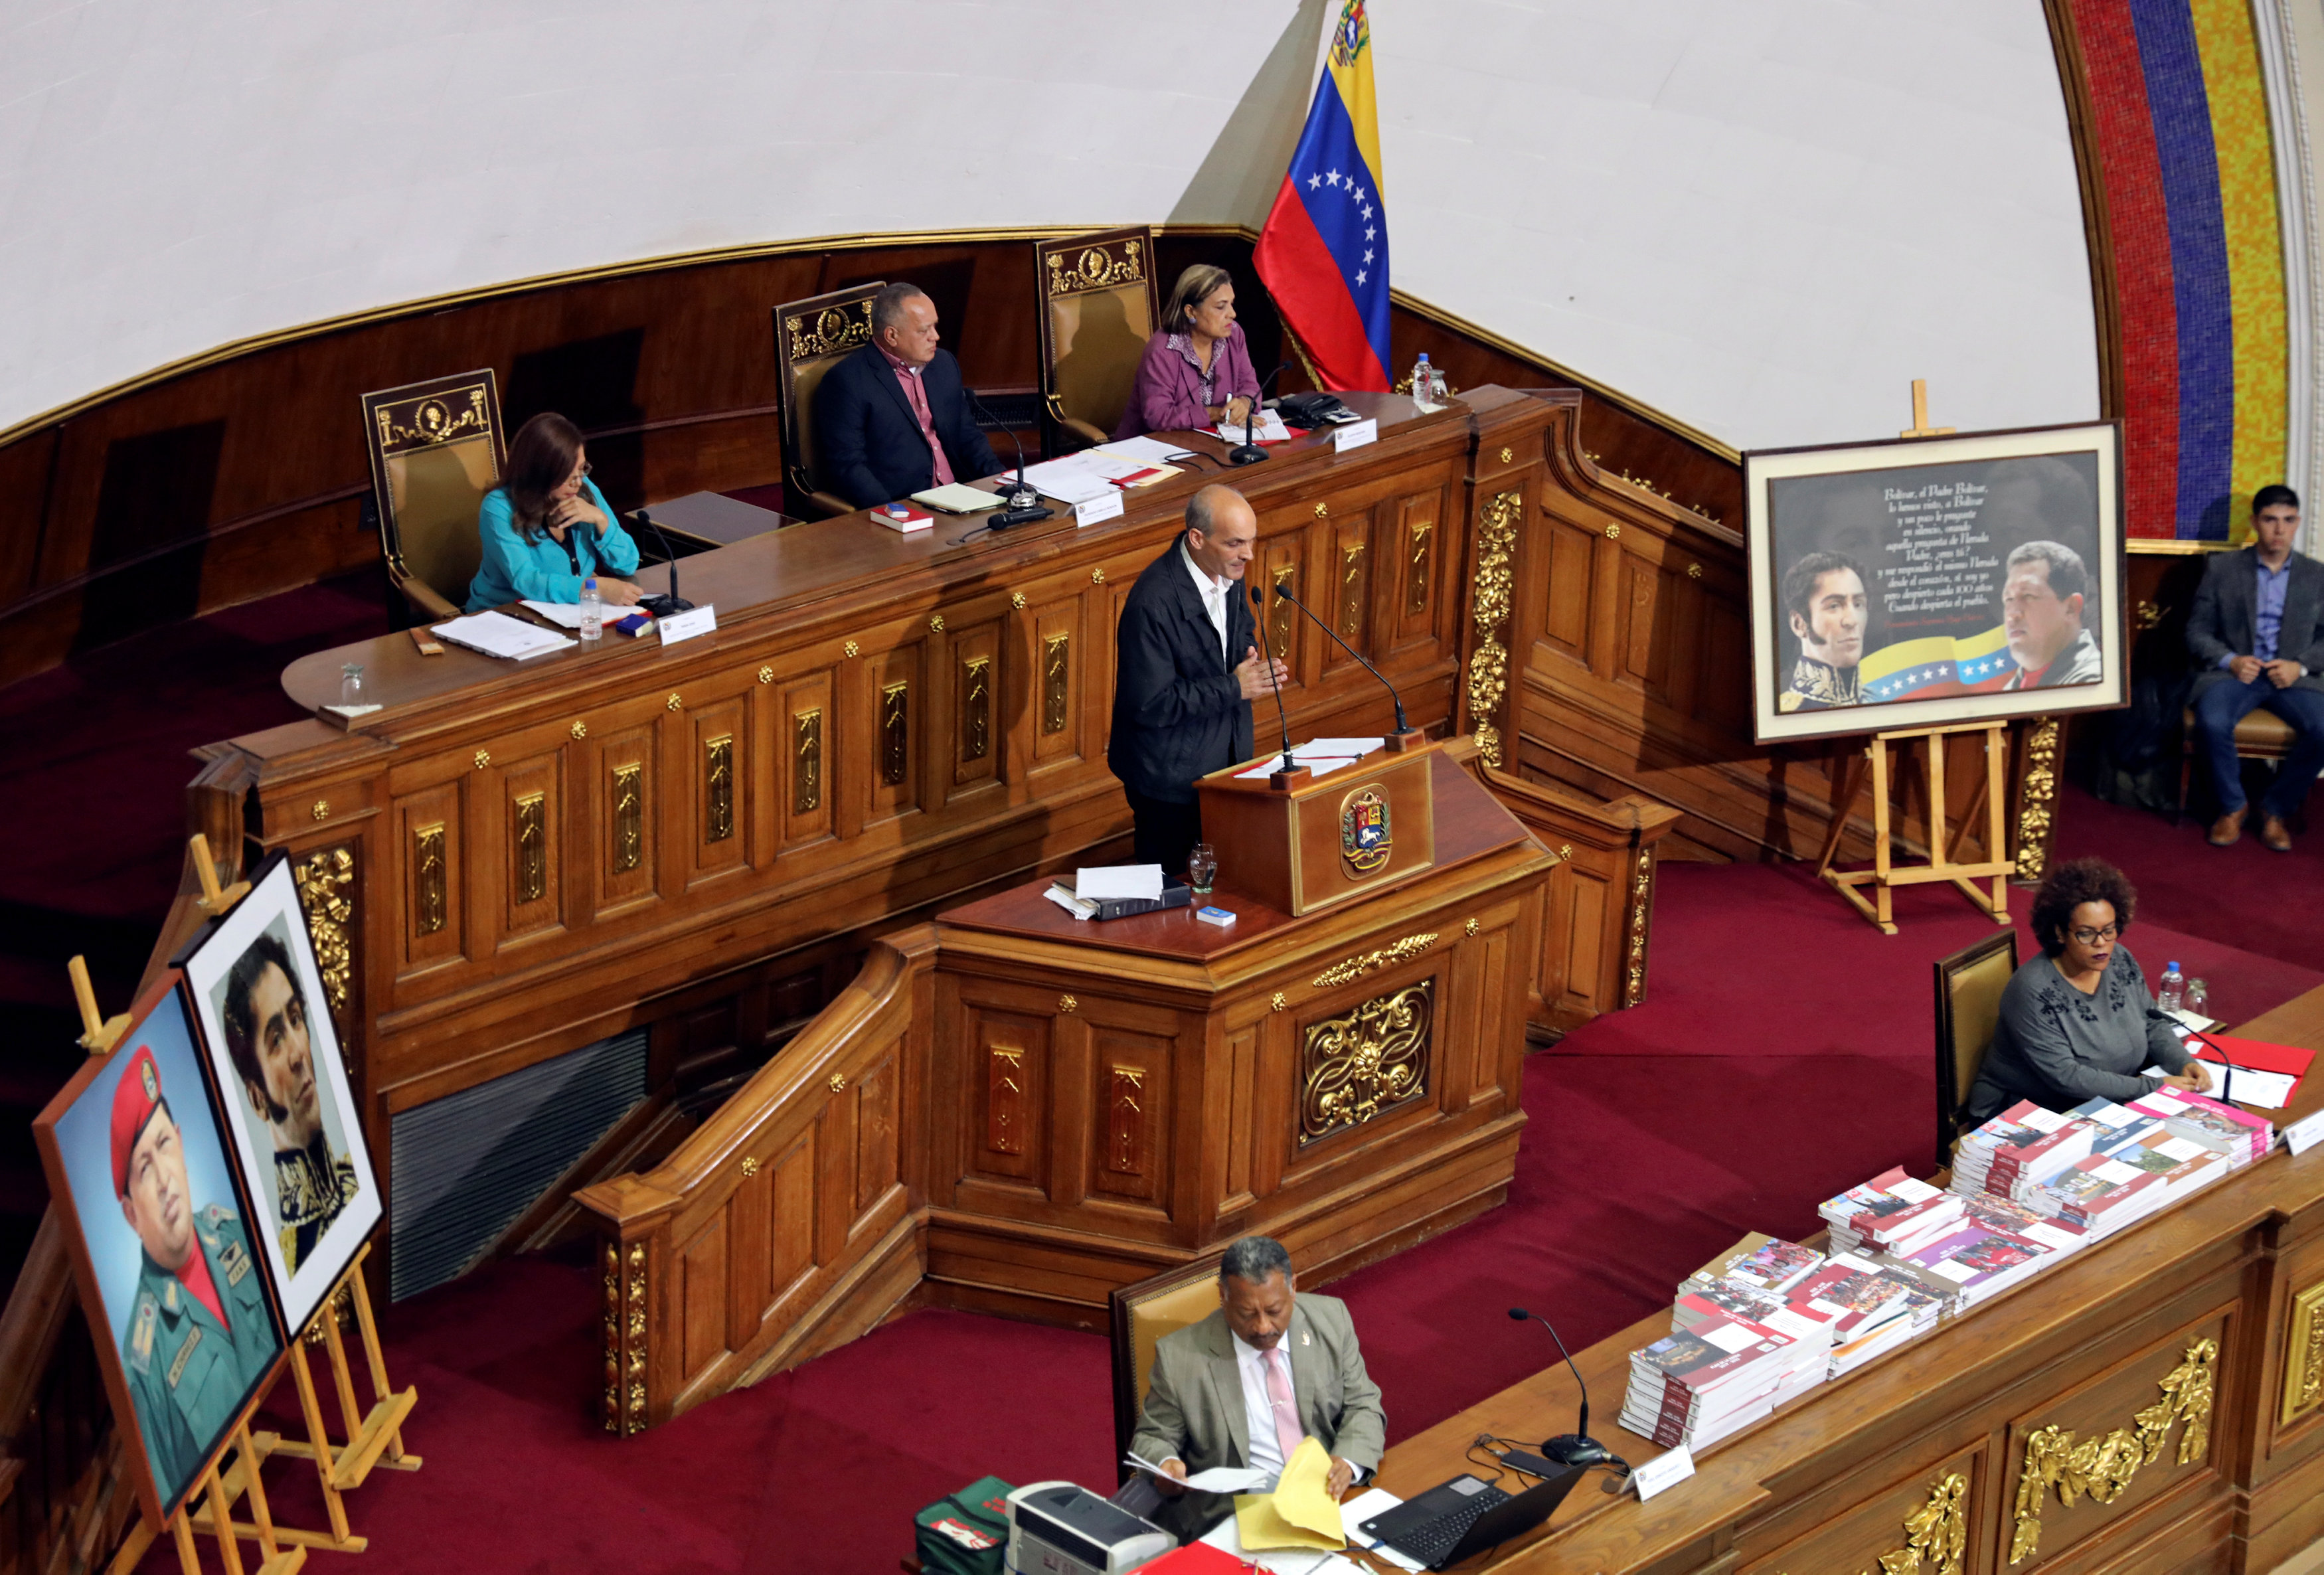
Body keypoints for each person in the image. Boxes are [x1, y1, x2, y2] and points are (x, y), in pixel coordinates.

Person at [1130, 1235, 1384, 1543]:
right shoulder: (1180, 1359)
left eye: (1274, 1310)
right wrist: (1164, 1465)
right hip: (1236, 1517)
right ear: (1222, 1295)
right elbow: (1152, 1437)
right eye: (1247, 1314)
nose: (1263, 1327)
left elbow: (1363, 1404)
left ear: (1293, 1288)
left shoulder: (1331, 1320)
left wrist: (1348, 1461)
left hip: (1328, 1496)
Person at [112, 1044, 278, 1495]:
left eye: (165, 1145)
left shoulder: (235, 1234)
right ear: (131, 1215)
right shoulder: (144, 1364)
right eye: (144, 1168)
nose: (165, 1178)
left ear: (182, 1145)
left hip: (296, 1448)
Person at [1108, 485, 1287, 878]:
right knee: (1172, 895)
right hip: (1169, 781)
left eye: (1251, 542)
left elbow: (1239, 629)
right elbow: (1151, 704)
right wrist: (1235, 687)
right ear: (1197, 539)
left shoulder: (1228, 572)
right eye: (1236, 543)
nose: (1248, 554)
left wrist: (1249, 655)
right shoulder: (1152, 604)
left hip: (1225, 763)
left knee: (1226, 883)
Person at [1961, 857, 2210, 1124]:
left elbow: (2151, 1022)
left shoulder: (2119, 959)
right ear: (2059, 933)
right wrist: (2151, 1089)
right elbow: (2066, 1076)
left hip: (2113, 1099)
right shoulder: (2032, 991)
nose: (2101, 944)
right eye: (2086, 934)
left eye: (2109, 931)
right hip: (2034, 1111)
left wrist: (2183, 1063)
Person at [2187, 484, 2324, 851]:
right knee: (2212, 722)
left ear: (2297, 523)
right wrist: (2232, 661)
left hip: (2291, 679)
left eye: (2288, 521)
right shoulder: (2223, 569)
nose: (2279, 530)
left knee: (2323, 728)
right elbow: (2196, 630)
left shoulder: (2317, 575)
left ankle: (2275, 809)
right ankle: (2234, 807)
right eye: (2270, 520)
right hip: (2235, 675)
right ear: (2255, 523)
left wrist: (2301, 667)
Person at [222, 930, 359, 1276]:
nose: (299, 1052)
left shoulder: (357, 1177)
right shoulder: (291, 1265)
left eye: (295, 1019)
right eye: (276, 1040)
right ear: (257, 1099)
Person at [815, 283, 1002, 509]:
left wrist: (1003, 483)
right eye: (924, 330)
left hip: (959, 497)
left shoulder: (944, 365)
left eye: (934, 326)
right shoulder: (848, 381)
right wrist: (894, 512)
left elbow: (967, 436)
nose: (936, 336)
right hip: (904, 504)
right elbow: (848, 466)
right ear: (892, 336)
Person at [466, 413, 645, 612]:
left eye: (581, 469)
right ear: (540, 472)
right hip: (503, 615)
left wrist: (601, 520)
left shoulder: (584, 489)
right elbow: (525, 581)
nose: (577, 482)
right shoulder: (499, 507)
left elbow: (628, 565)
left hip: (568, 612)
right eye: (567, 473)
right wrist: (593, 588)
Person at [1114, 265, 1261, 440]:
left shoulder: (1233, 335)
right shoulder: (1163, 351)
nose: (1233, 314)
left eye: (1231, 304)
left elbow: (1250, 385)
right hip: (1155, 448)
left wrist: (1245, 403)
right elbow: (1158, 416)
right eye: (1221, 307)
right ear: (1191, 311)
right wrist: (1214, 414)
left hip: (1212, 442)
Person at [1999, 540, 2102, 691]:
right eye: (2009, 599)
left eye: (2028, 596)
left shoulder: (2093, 683)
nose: (2012, 614)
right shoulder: (2007, 692)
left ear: (2071, 609)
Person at [1776, 551, 1868, 711]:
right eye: (1834, 606)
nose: (1852, 621)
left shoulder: (1882, 701)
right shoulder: (1788, 712)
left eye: (1858, 604)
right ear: (1799, 624)